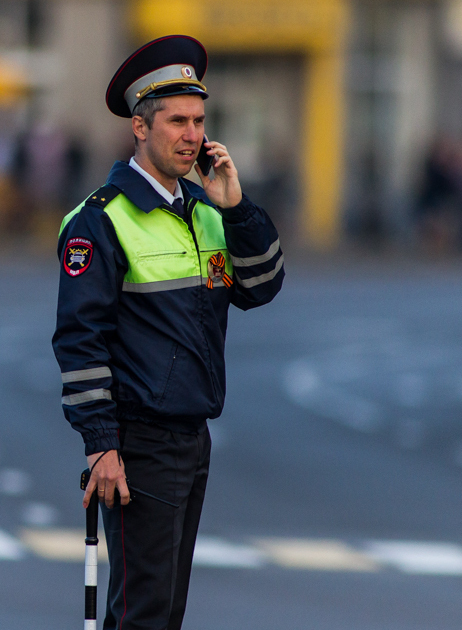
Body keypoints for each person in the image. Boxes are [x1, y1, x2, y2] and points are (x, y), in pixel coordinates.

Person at [52, 35, 284, 629]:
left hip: (192, 436)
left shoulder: (206, 208)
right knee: (142, 612)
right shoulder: (100, 221)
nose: (192, 136)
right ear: (140, 127)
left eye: (200, 121)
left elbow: (263, 287)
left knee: (167, 610)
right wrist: (101, 443)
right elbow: (80, 341)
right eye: (176, 121)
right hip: (138, 442)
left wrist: (236, 209)